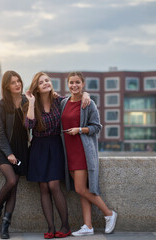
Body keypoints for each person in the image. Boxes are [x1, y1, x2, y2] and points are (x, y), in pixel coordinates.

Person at [24, 72, 90, 239]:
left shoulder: (59, 101)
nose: (46, 83)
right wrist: (31, 102)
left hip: (55, 146)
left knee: (54, 185)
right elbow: (29, 124)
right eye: (41, 82)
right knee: (44, 188)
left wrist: (86, 94)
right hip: (38, 147)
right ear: (37, 88)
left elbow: (75, 98)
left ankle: (65, 225)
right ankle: (51, 227)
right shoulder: (32, 104)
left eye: (47, 80)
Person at [60, 72, 117, 236]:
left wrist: (80, 130)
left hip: (82, 152)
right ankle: (88, 226)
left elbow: (97, 127)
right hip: (68, 153)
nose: (74, 85)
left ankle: (109, 213)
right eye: (71, 82)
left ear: (83, 84)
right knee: (82, 189)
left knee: (80, 188)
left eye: (77, 82)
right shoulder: (64, 103)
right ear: (68, 84)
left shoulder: (89, 103)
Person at [0, 70, 29, 239]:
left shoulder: (28, 101)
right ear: (7, 86)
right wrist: (9, 153)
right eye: (13, 82)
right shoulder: (2, 104)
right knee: (11, 180)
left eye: (18, 80)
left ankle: (5, 225)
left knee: (14, 187)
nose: (17, 84)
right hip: (3, 149)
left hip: (21, 149)